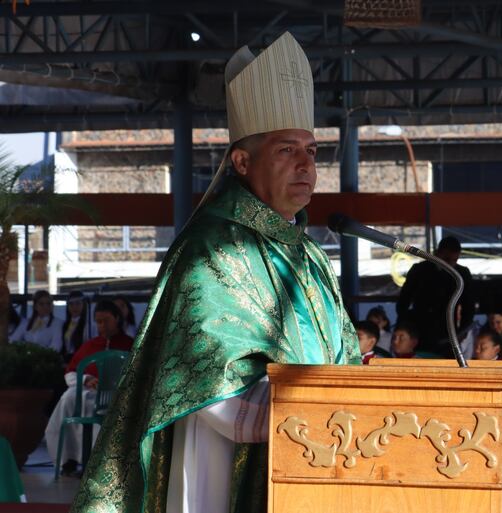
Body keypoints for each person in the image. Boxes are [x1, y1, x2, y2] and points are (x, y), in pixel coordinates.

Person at [71, 33, 360, 513]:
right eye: (287, 150)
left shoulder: (308, 255)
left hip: (320, 454)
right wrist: (304, 415)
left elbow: (344, 354)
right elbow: (201, 375)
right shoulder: (213, 246)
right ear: (242, 162)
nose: (307, 164)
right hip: (229, 454)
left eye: (312, 150)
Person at [44, 300, 134, 476]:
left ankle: (99, 464)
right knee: (67, 398)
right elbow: (70, 373)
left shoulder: (130, 344)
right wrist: (86, 379)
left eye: (106, 321)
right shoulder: (90, 346)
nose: (101, 326)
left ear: (117, 319)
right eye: (98, 321)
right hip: (85, 395)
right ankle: (67, 459)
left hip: (115, 398)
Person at [396, 236, 475, 356]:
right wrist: (407, 328)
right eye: (447, 259)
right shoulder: (419, 270)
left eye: (454, 260)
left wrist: (460, 332)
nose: (450, 263)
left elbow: (469, 306)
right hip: (419, 330)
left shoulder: (462, 273)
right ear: (438, 253)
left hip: (448, 331)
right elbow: (403, 302)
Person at [61, 291, 89, 362]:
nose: (74, 307)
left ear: (83, 305)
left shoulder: (88, 325)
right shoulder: (65, 324)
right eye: (71, 304)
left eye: (78, 304)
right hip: (67, 360)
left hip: (82, 360)